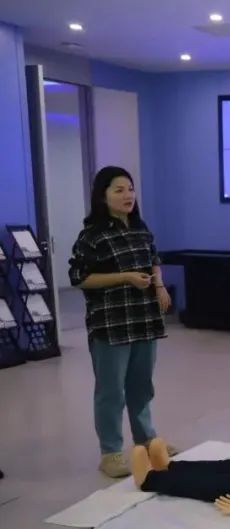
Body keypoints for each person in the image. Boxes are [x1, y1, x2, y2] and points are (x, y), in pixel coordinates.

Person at [69, 166, 173, 478]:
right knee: (111, 392)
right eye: (119, 190)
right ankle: (111, 452)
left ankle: (147, 440)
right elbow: (80, 277)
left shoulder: (141, 229)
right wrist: (125, 277)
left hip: (144, 319)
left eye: (130, 189)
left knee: (141, 386)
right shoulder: (92, 236)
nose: (128, 195)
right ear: (103, 197)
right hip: (111, 324)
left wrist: (159, 286)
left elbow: (154, 261)